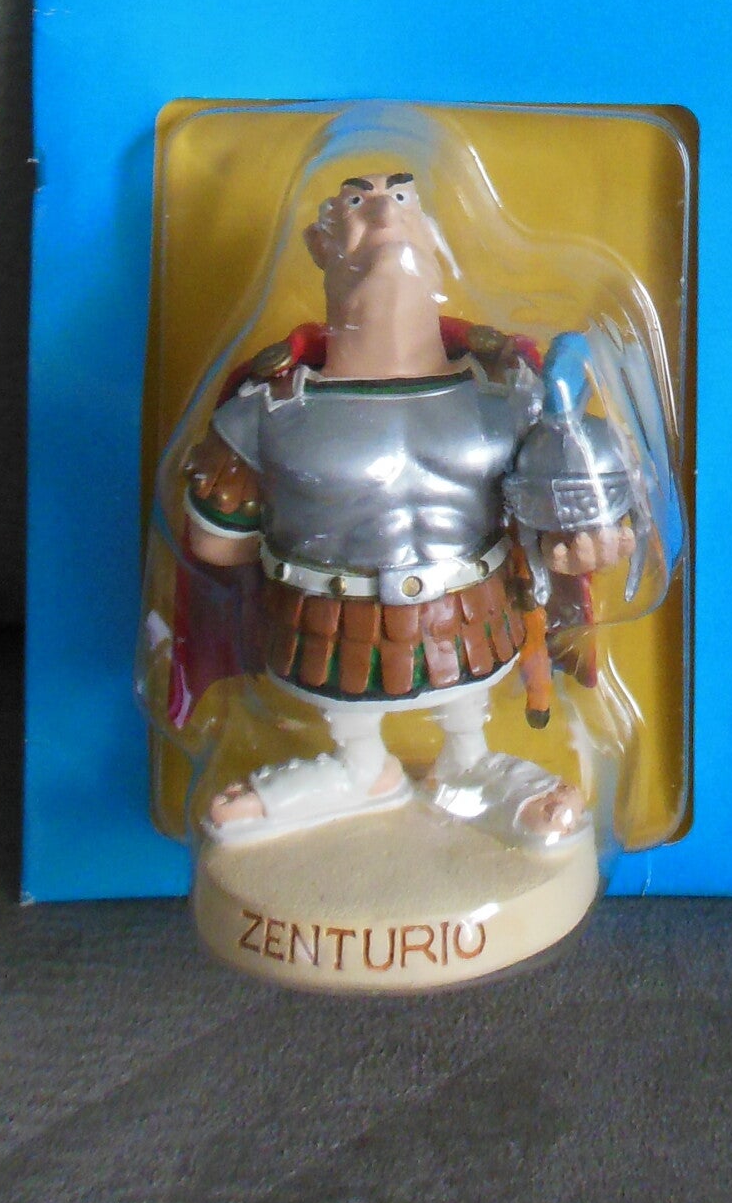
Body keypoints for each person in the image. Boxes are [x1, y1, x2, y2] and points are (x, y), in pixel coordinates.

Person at [182, 172, 644, 846]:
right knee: (345, 714)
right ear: (318, 244)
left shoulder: (509, 395)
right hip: (325, 627)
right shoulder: (266, 411)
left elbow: (555, 517)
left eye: (402, 197)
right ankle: (358, 769)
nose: (383, 211)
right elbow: (214, 543)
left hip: (475, 622)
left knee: (469, 716)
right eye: (357, 200)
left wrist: (575, 542)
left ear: (432, 235)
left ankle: (470, 764)